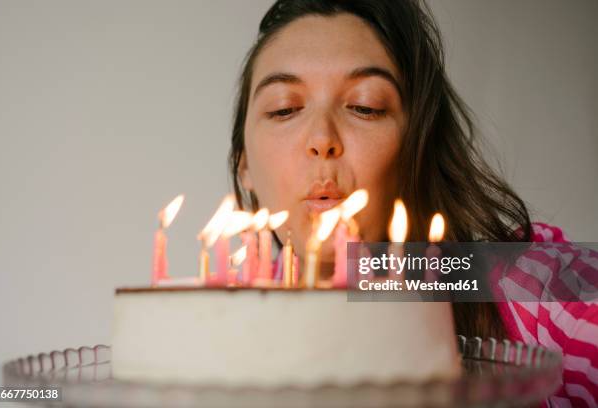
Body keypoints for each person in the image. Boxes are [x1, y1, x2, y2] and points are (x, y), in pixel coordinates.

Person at [227, 1, 598, 405]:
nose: (321, 139)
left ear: (420, 147)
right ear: (244, 164)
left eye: (365, 106)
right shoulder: (215, 322)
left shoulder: (525, 289)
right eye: (284, 109)